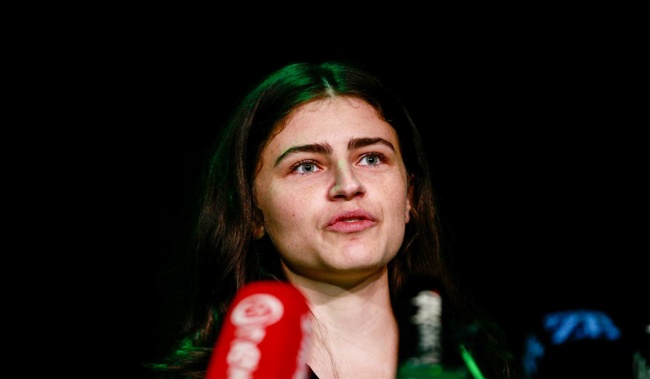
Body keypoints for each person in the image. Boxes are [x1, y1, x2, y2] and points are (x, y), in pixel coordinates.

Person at [148, 60, 516, 378]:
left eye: (371, 158)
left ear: (410, 197)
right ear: (252, 213)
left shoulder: (487, 365)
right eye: (306, 166)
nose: (348, 185)